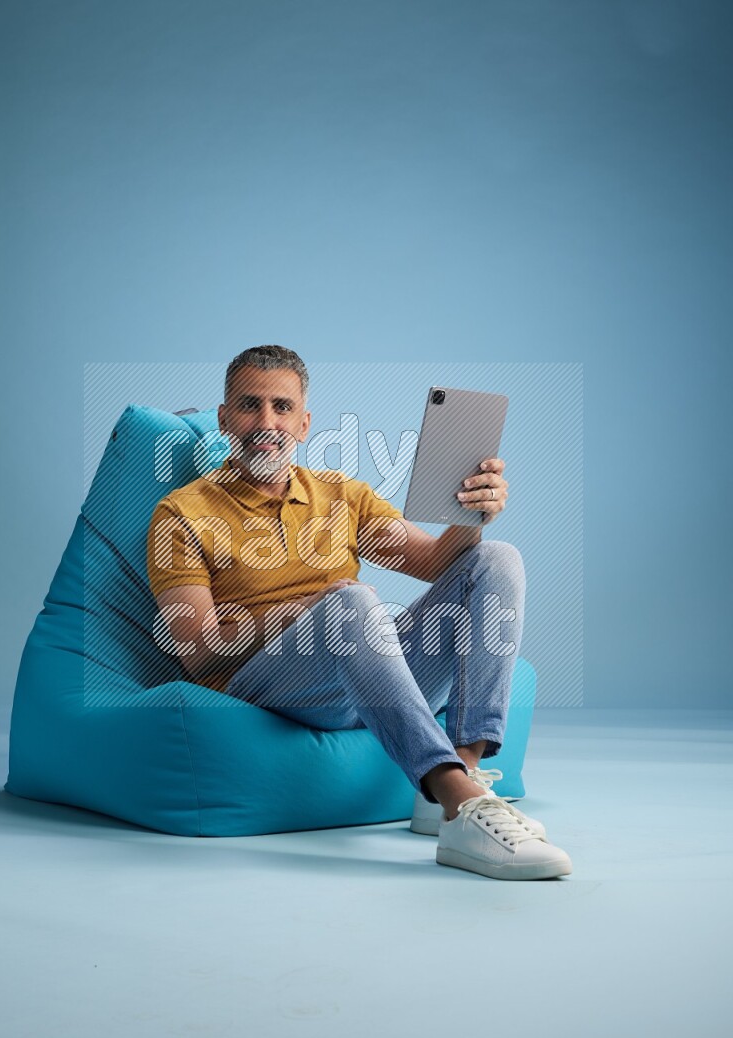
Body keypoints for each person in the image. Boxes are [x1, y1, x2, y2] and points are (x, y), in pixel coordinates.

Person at [146, 345, 572, 880]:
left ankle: (461, 782)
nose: (267, 422)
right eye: (250, 406)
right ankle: (459, 799)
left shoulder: (341, 495)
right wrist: (300, 613)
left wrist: (472, 515)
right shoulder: (182, 512)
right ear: (225, 418)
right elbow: (195, 650)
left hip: (365, 668)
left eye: (282, 407)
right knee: (351, 604)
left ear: (304, 424)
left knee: (496, 558)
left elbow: (436, 563)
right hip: (273, 685)